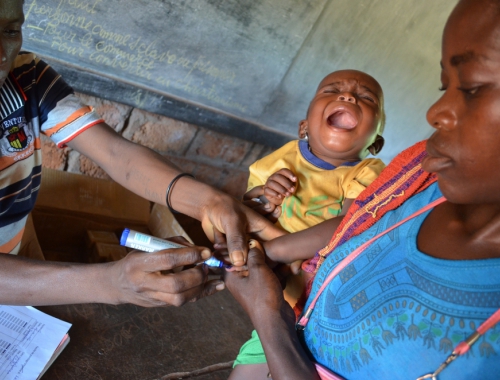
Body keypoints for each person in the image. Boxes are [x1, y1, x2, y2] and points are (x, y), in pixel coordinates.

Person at [224, 0, 500, 378]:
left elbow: (346, 221)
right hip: (287, 312)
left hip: (280, 308)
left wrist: (267, 304)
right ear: (304, 126)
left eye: (471, 87)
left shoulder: (372, 178)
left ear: (374, 143)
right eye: (444, 85)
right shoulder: (414, 184)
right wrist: (262, 213)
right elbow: (254, 207)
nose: (435, 112)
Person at [0, 0, 279, 307]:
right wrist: (110, 284)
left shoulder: (25, 78)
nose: (2, 54)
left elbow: (117, 155)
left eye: (11, 30)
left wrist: (208, 202)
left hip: (17, 241)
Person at [243, 69, 386, 233]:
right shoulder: (286, 156)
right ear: (304, 127)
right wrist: (267, 194)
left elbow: (346, 229)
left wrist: (275, 249)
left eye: (367, 98)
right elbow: (248, 204)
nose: (348, 96)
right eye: (331, 91)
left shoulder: (367, 172)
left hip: (309, 257)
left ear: (375, 143)